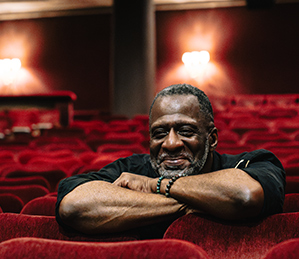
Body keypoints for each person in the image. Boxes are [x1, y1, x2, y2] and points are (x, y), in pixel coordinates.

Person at [56, 84, 285, 238]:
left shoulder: (252, 163)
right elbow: (75, 206)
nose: (171, 144)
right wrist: (199, 204)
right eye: (159, 133)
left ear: (212, 139)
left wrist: (155, 186)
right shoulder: (130, 168)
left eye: (185, 131)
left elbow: (243, 195)